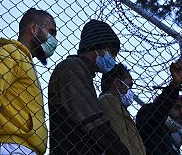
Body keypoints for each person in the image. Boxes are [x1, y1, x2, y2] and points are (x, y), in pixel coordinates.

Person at [0, 8, 58, 155]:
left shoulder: (24, 60)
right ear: (33, 28)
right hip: (9, 147)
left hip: (20, 148)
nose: (54, 40)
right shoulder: (10, 53)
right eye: (51, 32)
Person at [48, 19, 129, 154]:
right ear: (98, 47)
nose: (113, 59)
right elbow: (92, 121)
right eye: (112, 52)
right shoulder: (73, 67)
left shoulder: (83, 72)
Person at [136, 59, 182, 155]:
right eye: (177, 107)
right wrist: (175, 84)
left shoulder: (170, 140)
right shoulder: (151, 123)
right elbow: (157, 113)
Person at [98, 63, 146, 155]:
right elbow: (121, 139)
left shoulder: (118, 107)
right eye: (129, 86)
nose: (130, 91)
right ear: (117, 83)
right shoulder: (108, 101)